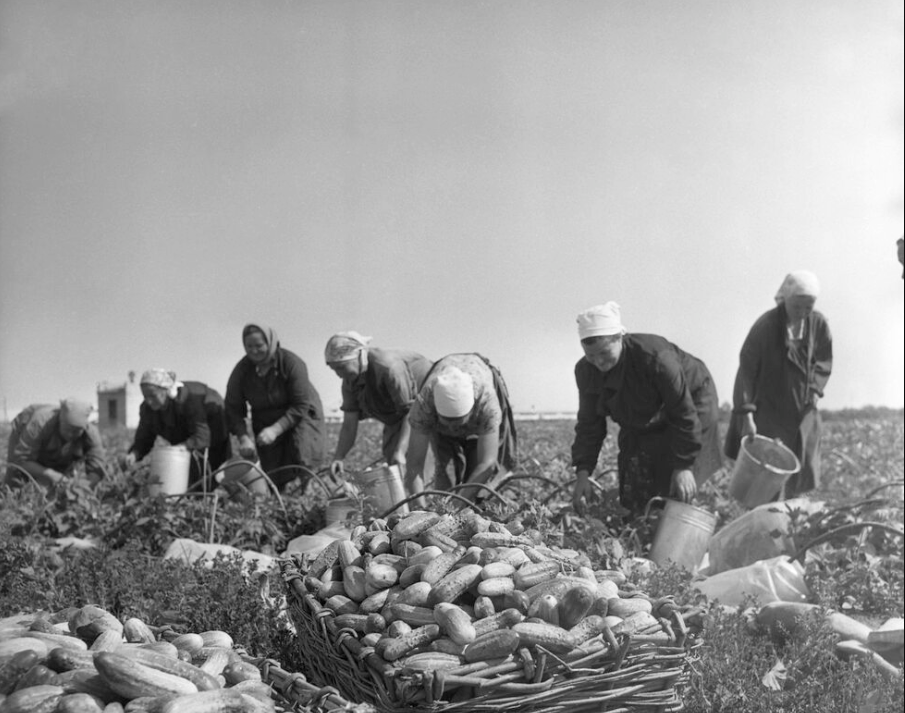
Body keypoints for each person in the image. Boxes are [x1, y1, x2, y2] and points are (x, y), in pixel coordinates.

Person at [571, 302, 722, 517]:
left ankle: (684, 531)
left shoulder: (656, 359)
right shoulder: (586, 371)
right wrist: (583, 473)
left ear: (619, 338)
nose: (598, 361)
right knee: (634, 471)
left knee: (678, 486)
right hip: (646, 412)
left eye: (604, 353)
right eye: (590, 355)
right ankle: (639, 524)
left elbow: (683, 413)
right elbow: (589, 424)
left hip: (693, 400)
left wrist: (684, 466)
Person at [724, 270, 832, 498]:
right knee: (767, 480)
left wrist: (814, 388)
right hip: (769, 412)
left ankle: (791, 523)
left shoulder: (819, 324)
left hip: (802, 412)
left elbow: (824, 360)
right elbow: (746, 371)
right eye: (797, 307)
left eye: (808, 307)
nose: (802, 313)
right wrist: (747, 416)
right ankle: (764, 525)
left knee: (798, 476)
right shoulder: (766, 326)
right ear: (785, 300)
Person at [224, 323, 326, 491]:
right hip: (265, 416)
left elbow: (300, 404)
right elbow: (233, 407)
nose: (254, 351)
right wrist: (243, 437)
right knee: (273, 468)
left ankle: (308, 491)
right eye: (249, 346)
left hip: (300, 414)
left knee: (303, 452)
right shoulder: (242, 370)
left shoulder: (291, 363)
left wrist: (276, 429)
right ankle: (281, 499)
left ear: (270, 343)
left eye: (259, 346)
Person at [406, 353, 517, 503]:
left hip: (480, 377)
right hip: (440, 385)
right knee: (444, 471)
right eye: (447, 421)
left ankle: (478, 504)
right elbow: (415, 463)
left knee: (479, 476)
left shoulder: (487, 405)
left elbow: (487, 463)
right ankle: (444, 500)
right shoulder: (424, 404)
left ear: (472, 410)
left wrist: (460, 501)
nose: (452, 428)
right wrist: (420, 508)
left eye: (458, 421)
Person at [324, 331, 432, 479]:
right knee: (394, 467)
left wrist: (400, 450)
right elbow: (349, 423)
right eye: (334, 369)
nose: (338, 374)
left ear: (359, 357)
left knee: (416, 464)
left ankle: (431, 499)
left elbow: (411, 412)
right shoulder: (349, 381)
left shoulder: (388, 367)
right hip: (396, 416)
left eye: (342, 367)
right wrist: (339, 457)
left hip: (425, 408)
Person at [121, 369, 232, 489]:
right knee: (188, 478)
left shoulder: (189, 399)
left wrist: (182, 447)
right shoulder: (147, 410)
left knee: (221, 472)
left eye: (153, 395)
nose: (149, 401)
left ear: (166, 390)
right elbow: (144, 438)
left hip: (214, 426)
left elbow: (202, 436)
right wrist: (134, 454)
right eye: (145, 396)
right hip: (184, 437)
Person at [4, 398, 108, 491]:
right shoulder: (41, 422)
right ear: (60, 421)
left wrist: (85, 486)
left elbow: (97, 466)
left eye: (76, 431)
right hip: (25, 432)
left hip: (52, 443)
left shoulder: (91, 433)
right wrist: (52, 474)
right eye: (67, 429)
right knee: (15, 478)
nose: (70, 434)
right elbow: (22, 459)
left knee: (59, 482)